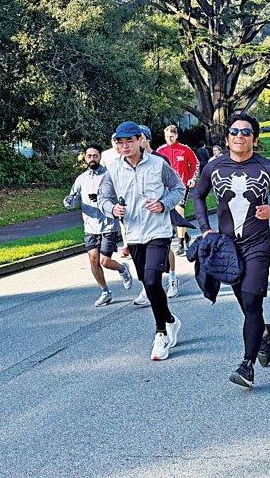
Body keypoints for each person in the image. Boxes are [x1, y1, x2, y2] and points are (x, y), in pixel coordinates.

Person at [193, 114, 270, 388]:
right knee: (244, 302)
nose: (240, 136)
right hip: (227, 248)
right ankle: (263, 334)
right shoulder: (213, 168)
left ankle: (246, 365)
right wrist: (205, 228)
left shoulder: (266, 167)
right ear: (227, 138)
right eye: (234, 131)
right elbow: (198, 196)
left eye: (246, 132)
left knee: (251, 302)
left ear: (255, 138)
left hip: (258, 244)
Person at [99, 122, 186, 361]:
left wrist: (164, 204)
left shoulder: (158, 164)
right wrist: (112, 208)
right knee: (148, 285)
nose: (125, 146)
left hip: (158, 232)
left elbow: (178, 188)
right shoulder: (113, 169)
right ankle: (170, 320)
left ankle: (161, 334)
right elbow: (103, 198)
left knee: (151, 280)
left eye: (129, 141)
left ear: (140, 140)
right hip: (134, 236)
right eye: (120, 142)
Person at [64, 145, 133, 306]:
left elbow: (119, 196)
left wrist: (104, 200)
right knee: (93, 259)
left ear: (100, 157)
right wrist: (68, 201)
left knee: (104, 261)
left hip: (108, 224)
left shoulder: (109, 175)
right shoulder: (81, 179)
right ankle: (105, 292)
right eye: (89, 156)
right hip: (90, 226)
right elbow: (73, 199)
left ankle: (122, 269)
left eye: (95, 155)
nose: (92, 159)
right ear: (85, 158)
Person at [137, 125, 179, 302]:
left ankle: (172, 279)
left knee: (165, 248)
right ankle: (147, 288)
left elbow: (172, 186)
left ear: (146, 139)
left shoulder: (160, 159)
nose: (137, 142)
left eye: (139, 138)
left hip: (160, 211)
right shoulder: (131, 160)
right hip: (140, 215)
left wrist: (164, 205)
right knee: (142, 250)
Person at [156, 125, 199, 258]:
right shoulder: (161, 151)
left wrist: (192, 178)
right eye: (167, 136)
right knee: (170, 215)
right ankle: (185, 234)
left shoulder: (185, 150)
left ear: (176, 136)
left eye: (172, 136)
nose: (169, 139)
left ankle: (181, 244)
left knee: (180, 211)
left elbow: (195, 163)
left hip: (181, 186)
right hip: (166, 187)